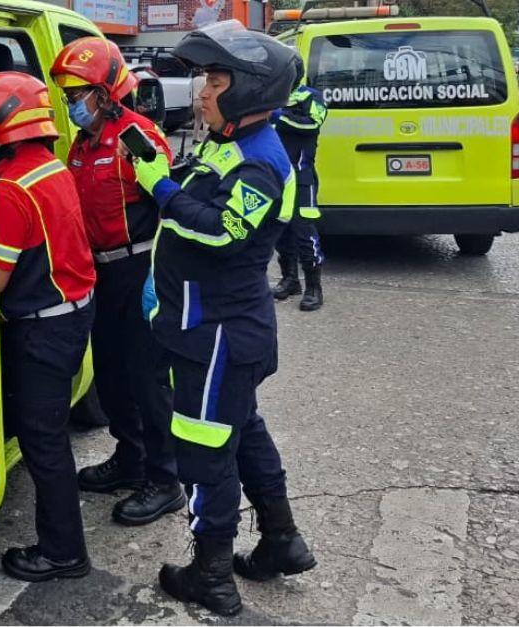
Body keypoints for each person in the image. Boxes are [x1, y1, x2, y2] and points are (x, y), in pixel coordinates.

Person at [130, 20, 316, 617]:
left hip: (216, 337)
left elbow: (219, 232)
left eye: (215, 79)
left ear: (250, 90)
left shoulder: (260, 161)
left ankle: (211, 574)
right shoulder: (227, 142)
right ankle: (282, 540)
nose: (202, 90)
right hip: (213, 330)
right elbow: (200, 191)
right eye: (203, 77)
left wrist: (158, 187)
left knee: (206, 452)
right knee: (246, 432)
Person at [50, 38, 185, 526]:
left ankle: (165, 479)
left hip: (139, 269)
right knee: (110, 373)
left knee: (148, 379)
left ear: (106, 93)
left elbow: (168, 201)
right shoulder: (82, 145)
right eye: (68, 95)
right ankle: (130, 460)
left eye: (78, 93)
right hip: (99, 272)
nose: (71, 103)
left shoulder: (135, 136)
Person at [0, 72, 96, 581]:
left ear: (0, 127)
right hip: (72, 312)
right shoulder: (48, 169)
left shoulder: (8, 193)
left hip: (40, 328)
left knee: (43, 442)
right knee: (50, 434)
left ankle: (63, 552)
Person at [270, 57, 328, 311]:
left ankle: (314, 287)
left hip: (302, 177)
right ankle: (290, 279)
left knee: (304, 231)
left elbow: (312, 123)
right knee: (280, 230)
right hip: (278, 176)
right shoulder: (274, 98)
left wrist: (279, 115)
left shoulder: (311, 97)